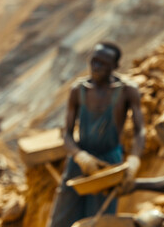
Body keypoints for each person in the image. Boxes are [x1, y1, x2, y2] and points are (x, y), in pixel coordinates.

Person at [47, 42, 145, 227]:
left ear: (114, 67)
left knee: (99, 219)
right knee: (62, 215)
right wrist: (81, 157)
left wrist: (134, 160)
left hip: (108, 163)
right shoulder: (78, 90)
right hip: (79, 163)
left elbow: (140, 130)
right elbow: (66, 134)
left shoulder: (127, 90)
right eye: (94, 61)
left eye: (103, 63)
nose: (96, 67)